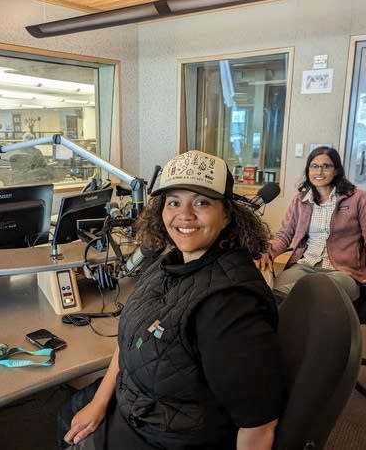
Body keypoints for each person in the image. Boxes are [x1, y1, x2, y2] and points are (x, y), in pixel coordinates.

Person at [60, 150, 284, 449]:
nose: (184, 215)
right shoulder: (170, 262)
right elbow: (130, 340)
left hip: (168, 436)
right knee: (68, 411)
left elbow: (258, 423)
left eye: (201, 203)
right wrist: (100, 401)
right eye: (174, 202)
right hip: (140, 404)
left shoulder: (229, 306)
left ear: (227, 213)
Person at [255, 146, 366, 303]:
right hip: (305, 266)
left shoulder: (358, 198)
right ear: (308, 170)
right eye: (314, 166)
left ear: (336, 170)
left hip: (343, 272)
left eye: (326, 166)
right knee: (269, 289)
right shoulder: (300, 200)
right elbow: (284, 235)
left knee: (305, 295)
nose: (319, 172)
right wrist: (267, 253)